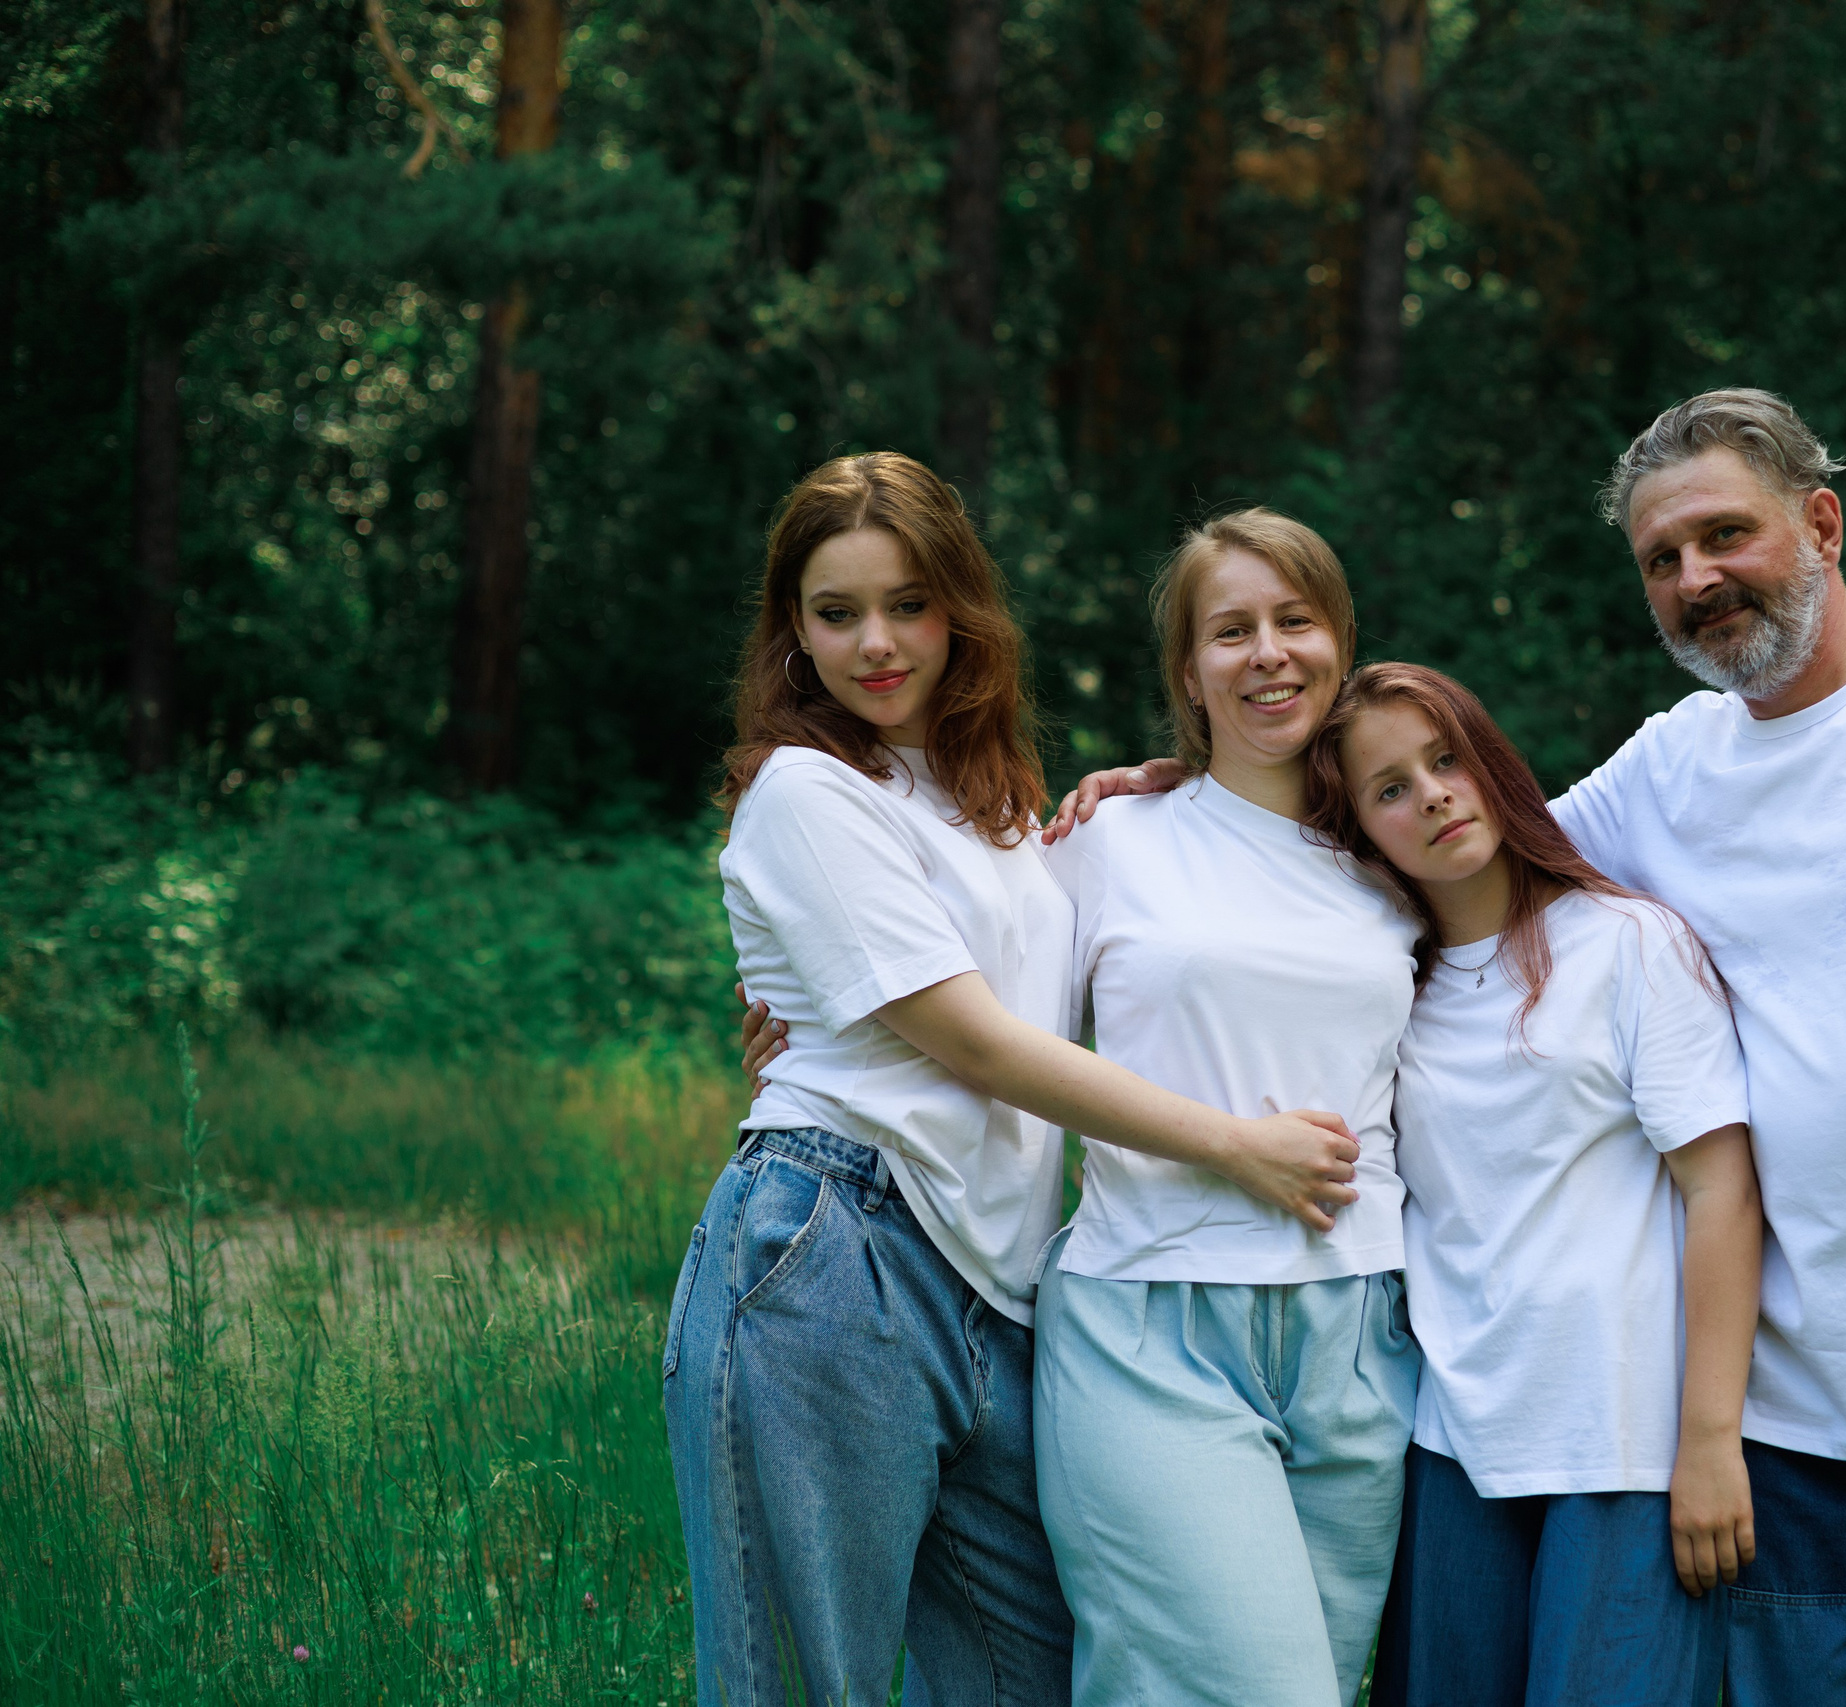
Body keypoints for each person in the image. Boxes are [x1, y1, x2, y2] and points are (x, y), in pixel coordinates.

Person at [1051, 390, 1846, 1707]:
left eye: (1725, 535)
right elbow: (1455, 841)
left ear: (1822, 523)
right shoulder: (1671, 768)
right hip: (1790, 1408)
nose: (1695, 577)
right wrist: (1195, 794)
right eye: (1662, 558)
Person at [669, 456, 1369, 1707]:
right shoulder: (807, 791)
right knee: (812, 1683)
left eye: (909, 605)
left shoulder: (981, 801)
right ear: (792, 634)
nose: (877, 643)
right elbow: (980, 1043)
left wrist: (1178, 790)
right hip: (834, 1248)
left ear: (959, 612)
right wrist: (1233, 1145)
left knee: (1031, 1675)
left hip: (998, 1285)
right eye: (836, 613)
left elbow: (1090, 951)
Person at [1303, 662, 1761, 1707]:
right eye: (1389, 788)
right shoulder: (1382, 988)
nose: (1431, 796)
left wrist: (1709, 1442)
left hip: (1626, 1443)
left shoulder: (1627, 943)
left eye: (1446, 759)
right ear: (1360, 830)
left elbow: (1722, 1196)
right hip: (1450, 1443)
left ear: (1491, 762)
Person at [1032, 509, 1423, 1707]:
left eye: (1294, 620)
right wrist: (795, 1028)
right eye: (1230, 630)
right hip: (1155, 1319)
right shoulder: (1107, 841)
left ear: (1339, 642)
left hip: (1362, 1336)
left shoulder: (1401, 852)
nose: (1267, 653)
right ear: (1188, 673)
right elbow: (979, 1038)